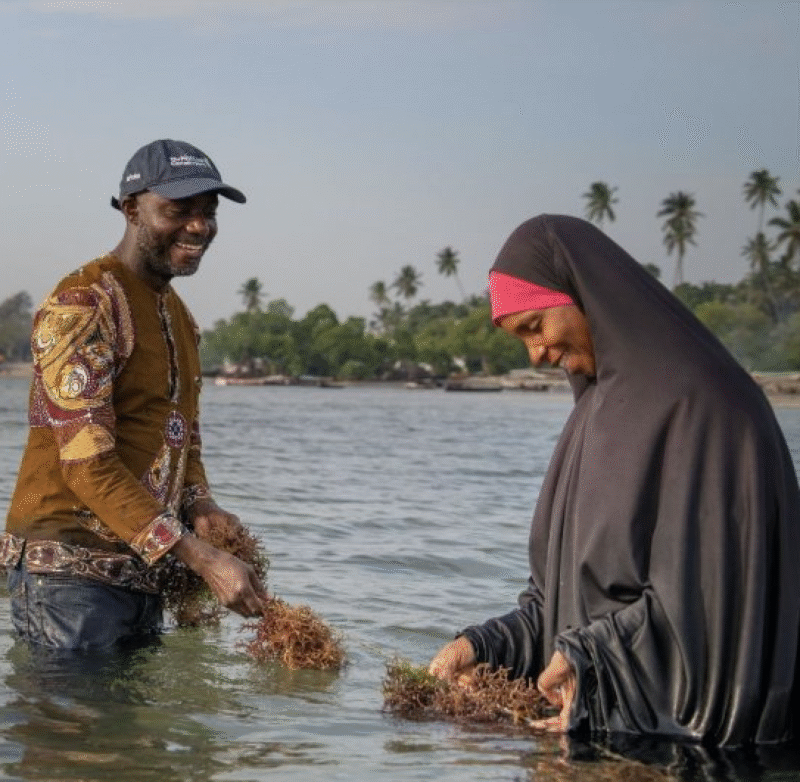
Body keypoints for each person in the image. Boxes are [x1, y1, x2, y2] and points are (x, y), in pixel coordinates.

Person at [428, 214, 800, 746]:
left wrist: (590, 662)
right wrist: (481, 647)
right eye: (521, 339)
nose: (535, 354)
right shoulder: (591, 416)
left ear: (582, 294)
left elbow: (716, 610)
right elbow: (559, 606)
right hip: (600, 730)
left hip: (698, 752)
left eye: (534, 327)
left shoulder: (708, 407)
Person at [1, 139, 267, 650]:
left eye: (208, 212)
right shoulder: (84, 305)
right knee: (71, 706)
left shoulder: (181, 319)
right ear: (130, 210)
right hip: (67, 581)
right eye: (179, 211)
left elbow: (181, 435)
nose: (199, 227)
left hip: (142, 573)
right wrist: (201, 557)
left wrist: (202, 503)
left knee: (135, 710)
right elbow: (87, 465)